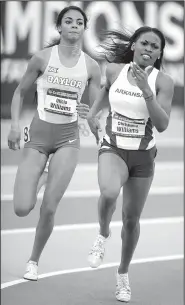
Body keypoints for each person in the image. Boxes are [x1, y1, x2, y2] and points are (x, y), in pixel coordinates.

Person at [7, 5, 101, 281]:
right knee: (22, 208)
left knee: (49, 206)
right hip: (37, 136)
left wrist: (96, 130)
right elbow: (19, 92)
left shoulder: (91, 67)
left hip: (68, 139)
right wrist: (14, 125)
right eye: (68, 21)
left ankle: (33, 261)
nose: (74, 25)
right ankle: (44, 174)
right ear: (59, 27)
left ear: (84, 28)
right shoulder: (42, 58)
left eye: (79, 22)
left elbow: (94, 110)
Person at [87, 26, 174, 302]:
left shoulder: (164, 82)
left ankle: (123, 274)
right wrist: (92, 115)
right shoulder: (113, 70)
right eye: (145, 43)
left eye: (155, 47)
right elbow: (102, 96)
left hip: (143, 157)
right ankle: (102, 234)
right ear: (134, 44)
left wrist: (146, 90)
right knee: (109, 192)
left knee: (131, 219)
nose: (149, 49)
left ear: (159, 53)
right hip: (113, 147)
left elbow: (161, 125)